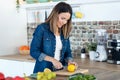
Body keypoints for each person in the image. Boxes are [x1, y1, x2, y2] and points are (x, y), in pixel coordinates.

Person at [30, 2, 78, 73]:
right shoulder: (42, 29)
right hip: (43, 72)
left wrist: (70, 61)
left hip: (60, 72)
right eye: (63, 18)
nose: (64, 22)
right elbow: (33, 51)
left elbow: (68, 52)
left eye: (67, 20)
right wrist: (53, 60)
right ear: (55, 15)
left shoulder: (64, 31)